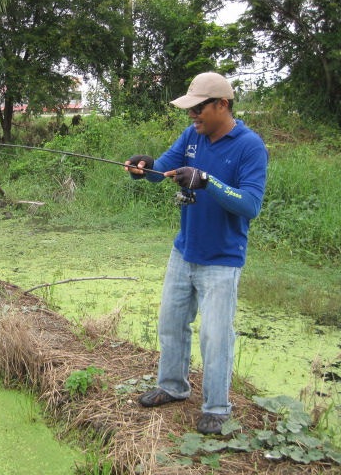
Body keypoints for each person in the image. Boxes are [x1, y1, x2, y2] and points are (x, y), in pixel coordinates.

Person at [125, 72, 268, 435]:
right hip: (184, 251)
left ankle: (217, 407)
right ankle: (172, 387)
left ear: (222, 104)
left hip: (221, 259)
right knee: (171, 324)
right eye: (190, 109)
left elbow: (250, 205)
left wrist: (207, 181)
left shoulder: (250, 146)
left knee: (216, 336)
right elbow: (163, 171)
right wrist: (145, 168)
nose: (192, 116)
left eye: (199, 108)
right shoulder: (193, 135)